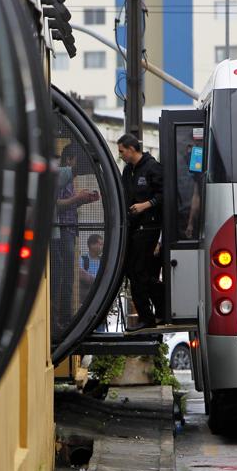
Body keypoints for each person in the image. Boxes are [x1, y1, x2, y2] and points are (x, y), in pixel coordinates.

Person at [117, 133, 164, 331]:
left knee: (139, 272)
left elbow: (165, 195)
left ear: (131, 149)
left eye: (121, 151)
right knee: (134, 272)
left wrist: (146, 205)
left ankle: (148, 317)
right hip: (133, 227)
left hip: (149, 227)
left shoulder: (152, 167)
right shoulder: (128, 171)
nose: (120, 155)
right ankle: (161, 308)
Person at [52, 144, 99, 338]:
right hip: (61, 231)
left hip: (69, 230)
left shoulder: (69, 180)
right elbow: (56, 205)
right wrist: (77, 198)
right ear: (70, 160)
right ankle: (60, 319)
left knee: (67, 276)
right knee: (61, 277)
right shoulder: (59, 176)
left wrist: (82, 198)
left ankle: (65, 318)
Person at [79, 234, 106, 332]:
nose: (102, 247)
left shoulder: (103, 261)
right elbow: (80, 274)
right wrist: (97, 281)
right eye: (100, 244)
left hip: (99, 301)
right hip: (85, 301)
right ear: (91, 245)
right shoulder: (83, 259)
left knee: (99, 325)